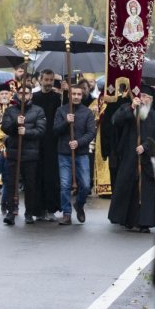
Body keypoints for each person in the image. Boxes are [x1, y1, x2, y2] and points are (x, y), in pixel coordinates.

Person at [107, 85, 155, 232]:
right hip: (129, 156)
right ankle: (128, 220)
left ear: (152, 100)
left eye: (147, 97)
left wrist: (146, 146)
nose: (144, 99)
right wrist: (130, 108)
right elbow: (115, 120)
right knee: (128, 188)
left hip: (147, 159)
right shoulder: (129, 110)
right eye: (142, 96)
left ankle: (144, 222)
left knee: (146, 190)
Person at [0, 85, 47, 224]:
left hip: (31, 154)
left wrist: (26, 131)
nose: (23, 96)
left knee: (30, 184)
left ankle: (29, 212)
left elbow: (41, 130)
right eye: (20, 93)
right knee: (11, 184)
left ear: (30, 95)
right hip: (14, 152)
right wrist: (16, 123)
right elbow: (5, 127)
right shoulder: (10, 111)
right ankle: (11, 211)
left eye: (26, 93)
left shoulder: (38, 111)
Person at [56, 84, 97, 225]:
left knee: (85, 184)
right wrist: (66, 122)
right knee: (65, 184)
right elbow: (55, 130)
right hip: (64, 153)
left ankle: (79, 204)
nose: (76, 97)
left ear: (82, 95)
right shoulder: (61, 111)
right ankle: (66, 213)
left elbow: (91, 133)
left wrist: (78, 142)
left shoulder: (87, 112)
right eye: (74, 94)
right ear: (69, 95)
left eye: (79, 94)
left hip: (81, 153)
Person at [31, 68, 64, 220]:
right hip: (36, 140)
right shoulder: (34, 97)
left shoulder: (59, 98)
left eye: (51, 80)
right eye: (46, 80)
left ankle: (51, 209)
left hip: (53, 141)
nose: (49, 83)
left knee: (51, 176)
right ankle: (38, 210)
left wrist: (67, 94)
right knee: (36, 176)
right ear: (40, 80)